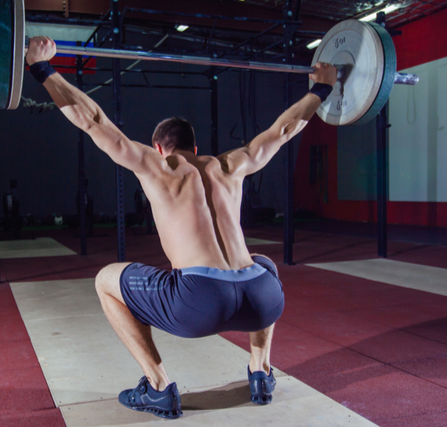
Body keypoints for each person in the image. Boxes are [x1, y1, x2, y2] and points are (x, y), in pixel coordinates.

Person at [26, 36, 337, 419]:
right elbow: (284, 131)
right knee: (262, 263)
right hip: (262, 300)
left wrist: (42, 68)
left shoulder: (157, 167)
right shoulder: (231, 165)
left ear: (160, 148)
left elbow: (92, 120)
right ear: (195, 146)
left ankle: (158, 387)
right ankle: (261, 372)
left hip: (200, 303)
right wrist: (322, 87)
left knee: (106, 281)